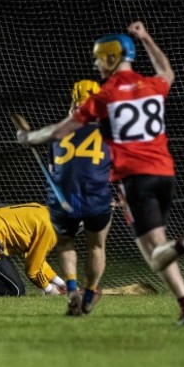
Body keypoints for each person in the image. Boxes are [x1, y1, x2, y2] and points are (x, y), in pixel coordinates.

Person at [17, 21, 184, 325]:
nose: (97, 64)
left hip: (135, 180)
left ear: (111, 58)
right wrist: (147, 39)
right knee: (157, 246)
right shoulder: (152, 85)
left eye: (99, 58)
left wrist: (30, 137)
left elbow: (62, 130)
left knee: (155, 255)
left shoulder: (105, 96)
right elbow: (168, 73)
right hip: (165, 174)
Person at [47, 79, 112, 316]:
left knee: (65, 243)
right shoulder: (109, 130)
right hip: (96, 199)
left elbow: (54, 169)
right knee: (96, 245)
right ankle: (90, 292)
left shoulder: (57, 131)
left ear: (74, 101)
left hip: (64, 200)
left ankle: (72, 289)